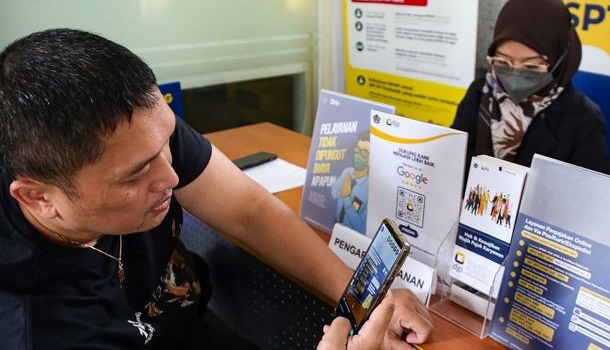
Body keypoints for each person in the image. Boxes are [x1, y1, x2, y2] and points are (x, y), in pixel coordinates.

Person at [0, 29, 433, 349]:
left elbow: (249, 210)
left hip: (191, 326)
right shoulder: (33, 325)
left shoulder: (140, 136)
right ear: (39, 198)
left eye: (167, 144)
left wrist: (365, 301)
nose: (171, 177)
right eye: (136, 175)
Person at [452, 0, 610, 173]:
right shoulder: (480, 91)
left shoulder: (584, 119)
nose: (515, 75)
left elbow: (586, 195)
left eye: (532, 67)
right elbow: (453, 158)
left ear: (559, 61)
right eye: (503, 62)